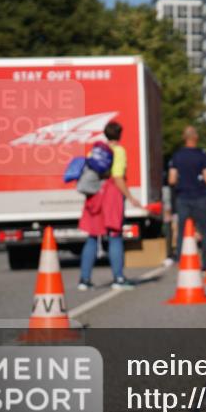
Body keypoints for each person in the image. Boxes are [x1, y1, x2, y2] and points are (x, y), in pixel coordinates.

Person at [78, 121, 143, 291]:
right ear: (120, 135)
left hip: (95, 194)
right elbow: (118, 177)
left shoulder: (96, 149)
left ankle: (84, 280)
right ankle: (118, 278)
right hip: (112, 195)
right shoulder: (119, 151)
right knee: (114, 236)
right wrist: (130, 197)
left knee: (92, 236)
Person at [169, 126, 206, 271]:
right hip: (200, 196)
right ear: (196, 138)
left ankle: (182, 261)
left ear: (184, 137)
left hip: (183, 197)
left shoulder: (177, 155)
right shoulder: (202, 155)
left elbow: (171, 179)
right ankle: (205, 263)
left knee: (182, 231)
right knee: (205, 231)